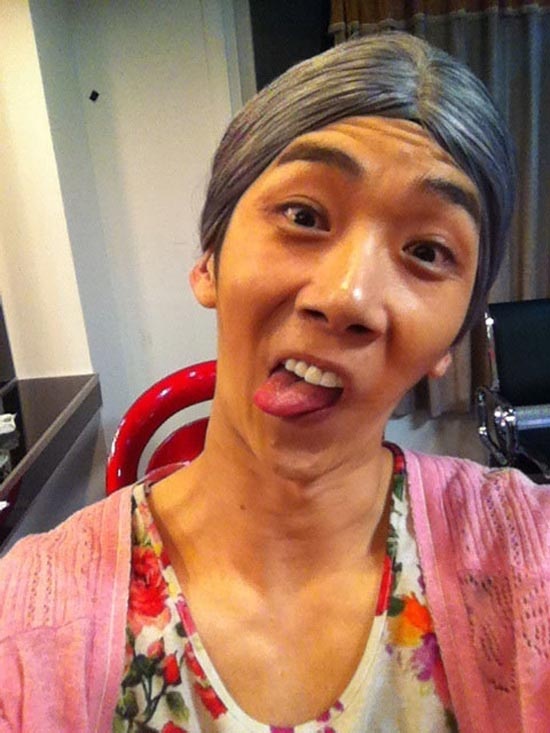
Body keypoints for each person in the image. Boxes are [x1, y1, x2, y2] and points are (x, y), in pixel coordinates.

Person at [0, 31, 548, 733]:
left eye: (427, 250)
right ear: (209, 261)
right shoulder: (23, 628)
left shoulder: (530, 565)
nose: (347, 297)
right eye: (304, 216)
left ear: (452, 337)